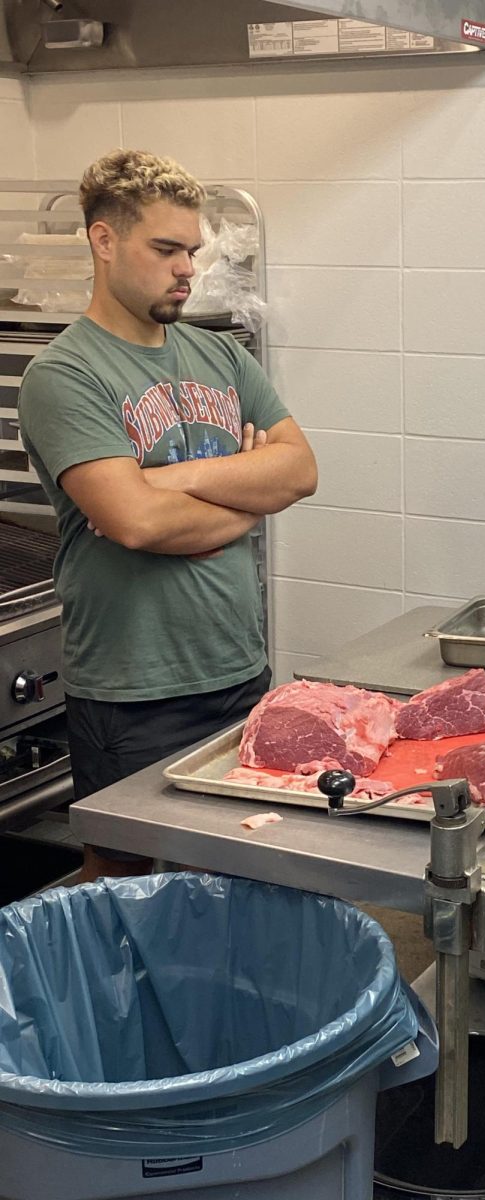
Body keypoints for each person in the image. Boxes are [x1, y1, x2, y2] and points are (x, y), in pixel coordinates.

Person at [18, 149, 318, 884]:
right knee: (130, 893)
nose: (187, 268)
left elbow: (300, 471)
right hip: (133, 692)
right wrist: (246, 502)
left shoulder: (219, 356)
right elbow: (137, 524)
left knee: (234, 879)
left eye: (192, 250)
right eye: (166, 249)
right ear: (104, 241)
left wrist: (175, 479)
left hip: (239, 673)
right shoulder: (65, 375)